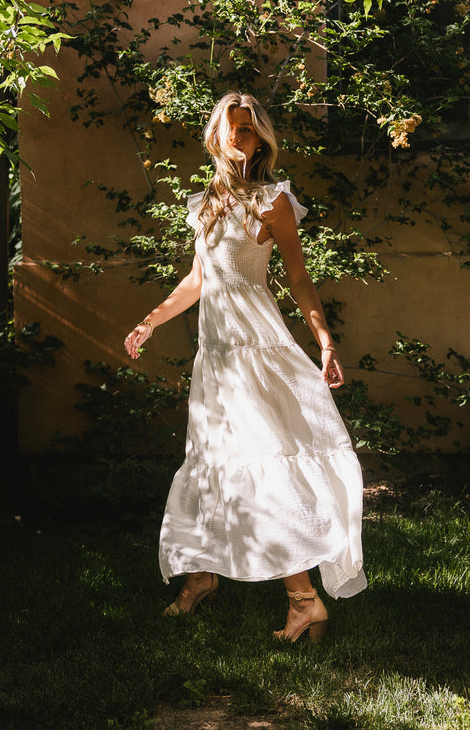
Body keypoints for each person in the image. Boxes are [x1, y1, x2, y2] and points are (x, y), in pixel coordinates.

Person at [124, 92, 367, 642]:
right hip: (216, 355)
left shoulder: (272, 200)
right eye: (231, 128)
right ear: (216, 134)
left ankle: (303, 599)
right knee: (211, 458)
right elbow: (199, 279)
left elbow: (299, 279)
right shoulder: (206, 200)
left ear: (261, 140)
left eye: (249, 130)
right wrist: (149, 321)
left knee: (261, 466)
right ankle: (202, 577)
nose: (239, 137)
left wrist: (324, 342)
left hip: (255, 348)